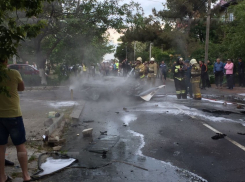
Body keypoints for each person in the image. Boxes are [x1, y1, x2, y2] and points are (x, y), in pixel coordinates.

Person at [0, 58, 31, 182]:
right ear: (6, 61)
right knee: (20, 145)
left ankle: (2, 177)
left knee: (1, 147)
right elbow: (21, 88)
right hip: (14, 114)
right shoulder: (13, 73)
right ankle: (25, 175)